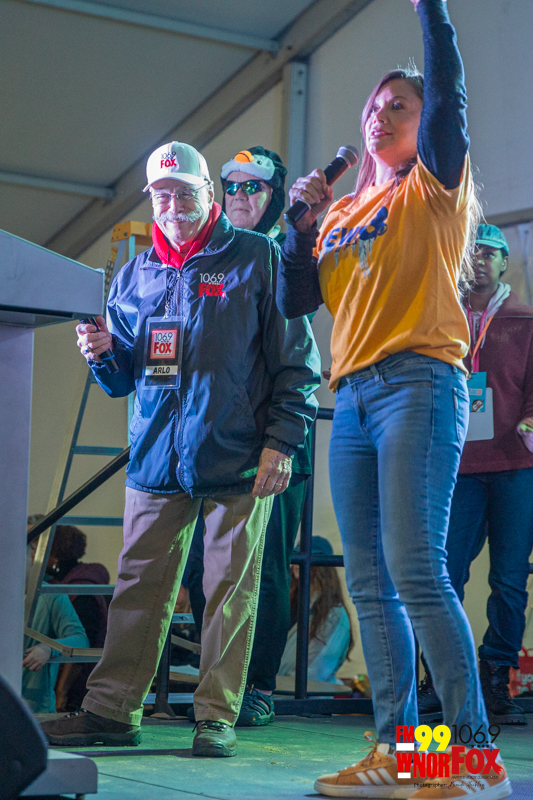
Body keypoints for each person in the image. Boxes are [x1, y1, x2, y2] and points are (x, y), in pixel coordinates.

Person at [277, 0, 511, 797]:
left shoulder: (434, 186)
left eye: (399, 105)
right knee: (370, 583)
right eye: (374, 106)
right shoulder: (343, 211)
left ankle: (473, 756)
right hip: (351, 399)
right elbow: (295, 300)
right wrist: (298, 226)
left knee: (416, 571)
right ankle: (403, 753)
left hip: (418, 381)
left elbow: (447, 92)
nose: (381, 115)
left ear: (424, 119)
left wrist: (429, 9)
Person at [41, 141, 320, 758]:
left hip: (237, 455)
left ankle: (216, 716)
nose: (172, 205)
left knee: (230, 591)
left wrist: (281, 443)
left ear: (208, 194)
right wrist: (102, 354)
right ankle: (112, 711)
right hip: (156, 458)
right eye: (161, 195)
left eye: (184, 193)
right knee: (137, 588)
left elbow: (299, 363)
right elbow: (123, 379)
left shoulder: (258, 257)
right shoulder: (137, 274)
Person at [186, 146, 316, 726]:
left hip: (270, 443)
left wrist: (280, 443)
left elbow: (297, 362)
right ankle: (214, 683)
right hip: (212, 446)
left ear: (275, 195)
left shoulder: (283, 255)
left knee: (263, 567)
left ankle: (256, 684)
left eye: (253, 187)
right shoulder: (210, 254)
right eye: (231, 185)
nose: (239, 196)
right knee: (200, 567)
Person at [419, 224, 533, 726]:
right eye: (473, 252)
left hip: (515, 465)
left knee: (509, 579)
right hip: (456, 466)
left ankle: (496, 678)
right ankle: (440, 677)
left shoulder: (524, 320)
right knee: (444, 574)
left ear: (505, 262)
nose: (480, 260)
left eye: (490, 253)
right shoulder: (439, 314)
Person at [47, 525, 110, 711]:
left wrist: (61, 692)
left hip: (78, 690)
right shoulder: (69, 584)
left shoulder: (81, 591)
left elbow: (82, 648)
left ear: (54, 554)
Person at [23, 538, 89, 714]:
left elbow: (81, 641)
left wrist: (49, 648)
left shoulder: (51, 596)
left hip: (35, 712)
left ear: (32, 556)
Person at [278, 536, 353, 684]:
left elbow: (314, 673)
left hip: (298, 695)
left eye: (305, 556)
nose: (297, 563)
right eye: (297, 555)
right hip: (278, 692)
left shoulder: (334, 615)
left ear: (322, 566)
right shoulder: (291, 602)